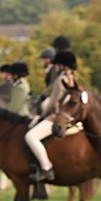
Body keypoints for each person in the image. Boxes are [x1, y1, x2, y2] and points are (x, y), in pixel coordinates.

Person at [25, 49, 78, 182]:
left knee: (30, 137)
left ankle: (46, 168)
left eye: (58, 64)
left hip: (57, 116)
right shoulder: (73, 77)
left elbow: (53, 103)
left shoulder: (60, 79)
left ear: (62, 65)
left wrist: (42, 115)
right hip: (71, 116)